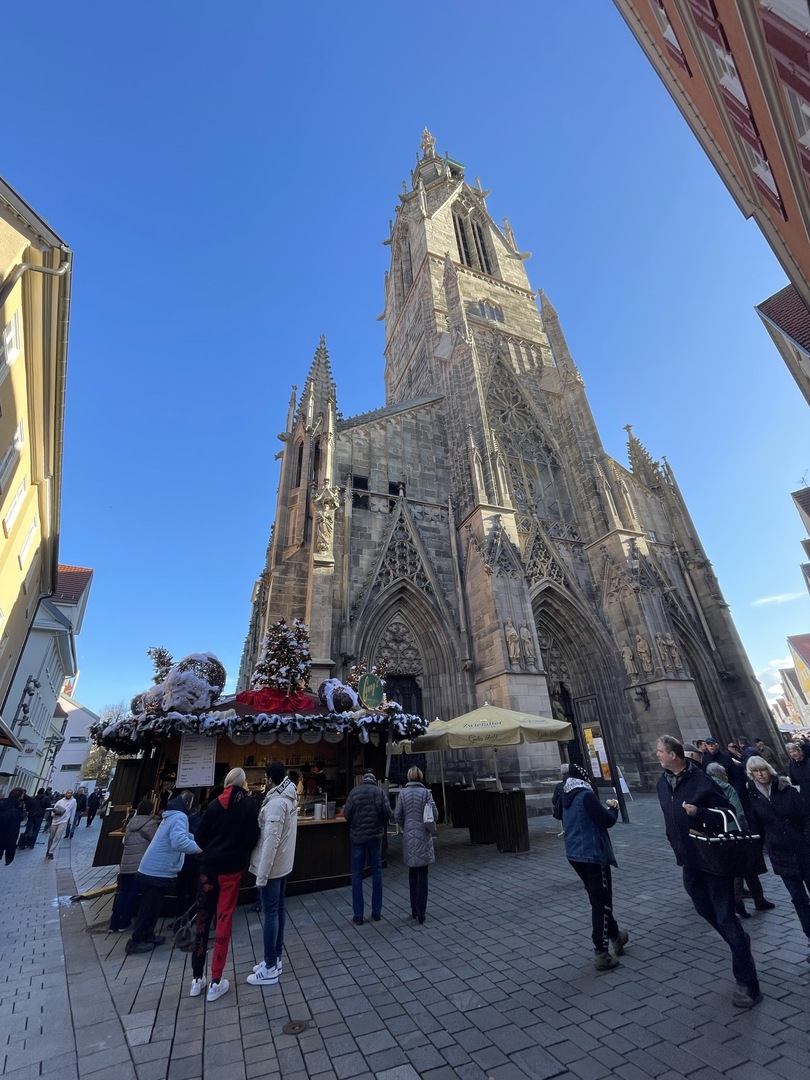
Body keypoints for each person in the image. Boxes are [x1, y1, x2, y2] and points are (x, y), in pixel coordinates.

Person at [656, 735, 761, 1009]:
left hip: (713, 859)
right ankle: (738, 940)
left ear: (674, 754)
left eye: (659, 751)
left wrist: (699, 812)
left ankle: (748, 983)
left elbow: (727, 813)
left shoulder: (701, 780)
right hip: (688, 860)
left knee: (726, 916)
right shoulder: (662, 784)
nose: (656, 755)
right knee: (703, 908)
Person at [190, 769, 260, 1002]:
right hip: (231, 870)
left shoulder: (212, 805)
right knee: (223, 920)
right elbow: (253, 837)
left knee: (202, 920)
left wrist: (213, 846)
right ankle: (216, 980)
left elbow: (199, 837)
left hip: (208, 870)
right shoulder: (249, 805)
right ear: (243, 783)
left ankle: (196, 978)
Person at [560, 763, 628, 971]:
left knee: (597, 898)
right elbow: (605, 820)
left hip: (575, 854)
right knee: (602, 903)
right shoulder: (585, 796)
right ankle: (601, 952)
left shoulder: (565, 796)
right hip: (592, 854)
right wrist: (613, 809)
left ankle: (616, 936)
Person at [745, 756, 810, 958]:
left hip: (803, 850)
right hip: (780, 854)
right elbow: (755, 825)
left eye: (763, 769)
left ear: (769, 769)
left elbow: (807, 815)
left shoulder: (786, 790)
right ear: (751, 774)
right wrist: (755, 850)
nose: (761, 774)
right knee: (799, 900)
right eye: (756, 771)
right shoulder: (753, 796)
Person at [126, 791, 201, 955]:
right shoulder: (180, 817)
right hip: (157, 869)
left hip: (155, 868)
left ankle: (148, 935)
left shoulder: (172, 816)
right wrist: (199, 849)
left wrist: (196, 838)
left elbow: (181, 835)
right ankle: (137, 940)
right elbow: (178, 841)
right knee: (148, 906)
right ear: (188, 804)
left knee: (154, 905)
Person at [247, 762, 298, 987]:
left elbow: (271, 841)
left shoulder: (277, 804)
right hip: (282, 864)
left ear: (269, 779)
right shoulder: (288, 798)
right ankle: (275, 958)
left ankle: (269, 965)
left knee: (270, 913)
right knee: (278, 910)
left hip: (273, 866)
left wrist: (262, 875)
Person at [705, 761, 775, 917]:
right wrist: (742, 828)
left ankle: (758, 899)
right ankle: (740, 902)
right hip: (736, 832)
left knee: (745, 868)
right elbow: (738, 812)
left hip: (718, 834)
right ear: (720, 774)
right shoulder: (726, 787)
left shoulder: (705, 787)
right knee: (742, 868)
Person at [342, 768, 393, 925]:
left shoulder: (354, 792)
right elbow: (387, 813)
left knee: (357, 874)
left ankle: (358, 914)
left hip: (357, 838)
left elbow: (346, 814)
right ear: (374, 778)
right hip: (375, 837)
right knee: (376, 871)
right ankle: (376, 912)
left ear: (363, 778)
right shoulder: (379, 792)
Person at [394, 766, 439, 924]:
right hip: (424, 836)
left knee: (412, 873)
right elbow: (435, 815)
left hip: (409, 836)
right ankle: (422, 912)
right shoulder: (426, 793)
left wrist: (406, 826)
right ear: (420, 777)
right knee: (423, 874)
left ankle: (413, 908)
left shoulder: (403, 794)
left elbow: (397, 815)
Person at [109, 800, 160, 932]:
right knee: (133, 893)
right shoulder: (150, 824)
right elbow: (155, 841)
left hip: (126, 862)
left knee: (123, 893)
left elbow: (124, 840)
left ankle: (114, 924)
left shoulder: (129, 822)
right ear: (150, 810)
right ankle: (125, 922)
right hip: (140, 863)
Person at [46, 789, 77, 860]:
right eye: (68, 793)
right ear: (65, 793)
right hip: (55, 820)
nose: (69, 794)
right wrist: (53, 814)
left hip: (64, 821)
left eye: (71, 793)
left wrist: (71, 822)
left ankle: (51, 851)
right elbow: (54, 809)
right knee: (51, 836)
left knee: (58, 836)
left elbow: (73, 812)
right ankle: (48, 849)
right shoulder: (60, 801)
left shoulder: (73, 801)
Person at [0, 788, 26, 866]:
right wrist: (9, 856)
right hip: (3, 840)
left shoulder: (2, 802)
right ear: (19, 796)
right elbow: (13, 834)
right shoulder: (15, 812)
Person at [787, 741, 810, 818]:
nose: (793, 754)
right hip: (805, 796)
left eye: (794, 751)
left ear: (799, 751)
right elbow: (794, 782)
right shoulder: (792, 766)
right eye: (790, 752)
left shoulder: (808, 762)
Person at [551, 764, 569, 837]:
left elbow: (554, 800)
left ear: (562, 774)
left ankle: (564, 830)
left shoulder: (559, 785)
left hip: (563, 810)